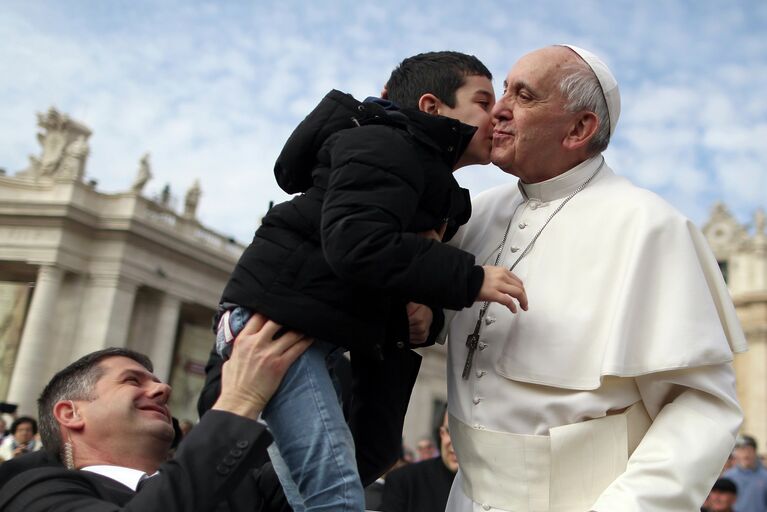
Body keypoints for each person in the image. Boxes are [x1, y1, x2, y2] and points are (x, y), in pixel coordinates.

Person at [216, 51, 527, 512]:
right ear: (432, 107)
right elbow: (358, 243)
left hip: (318, 327)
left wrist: (424, 313)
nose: (497, 112)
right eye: (482, 101)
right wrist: (471, 276)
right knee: (336, 492)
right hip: (278, 325)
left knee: (369, 456)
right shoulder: (385, 145)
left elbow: (390, 270)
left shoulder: (427, 182)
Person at [442, 44, 746, 511]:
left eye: (523, 96)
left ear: (579, 128)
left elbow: (701, 407)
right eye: (503, 90)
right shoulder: (473, 214)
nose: (497, 110)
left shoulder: (648, 226)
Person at [0, 313, 311, 511]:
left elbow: (342, 452)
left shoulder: (244, 486)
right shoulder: (29, 492)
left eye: (159, 383)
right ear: (70, 413)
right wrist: (241, 398)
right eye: (132, 380)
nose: (164, 390)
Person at [381, 408, 458, 512]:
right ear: (441, 433)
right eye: (450, 431)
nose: (456, 443)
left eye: (466, 434)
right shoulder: (404, 482)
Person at [723, 435, 767, 511]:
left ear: (755, 452)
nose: (746, 454)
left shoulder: (765, 476)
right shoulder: (728, 477)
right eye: (742, 450)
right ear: (736, 454)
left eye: (749, 450)